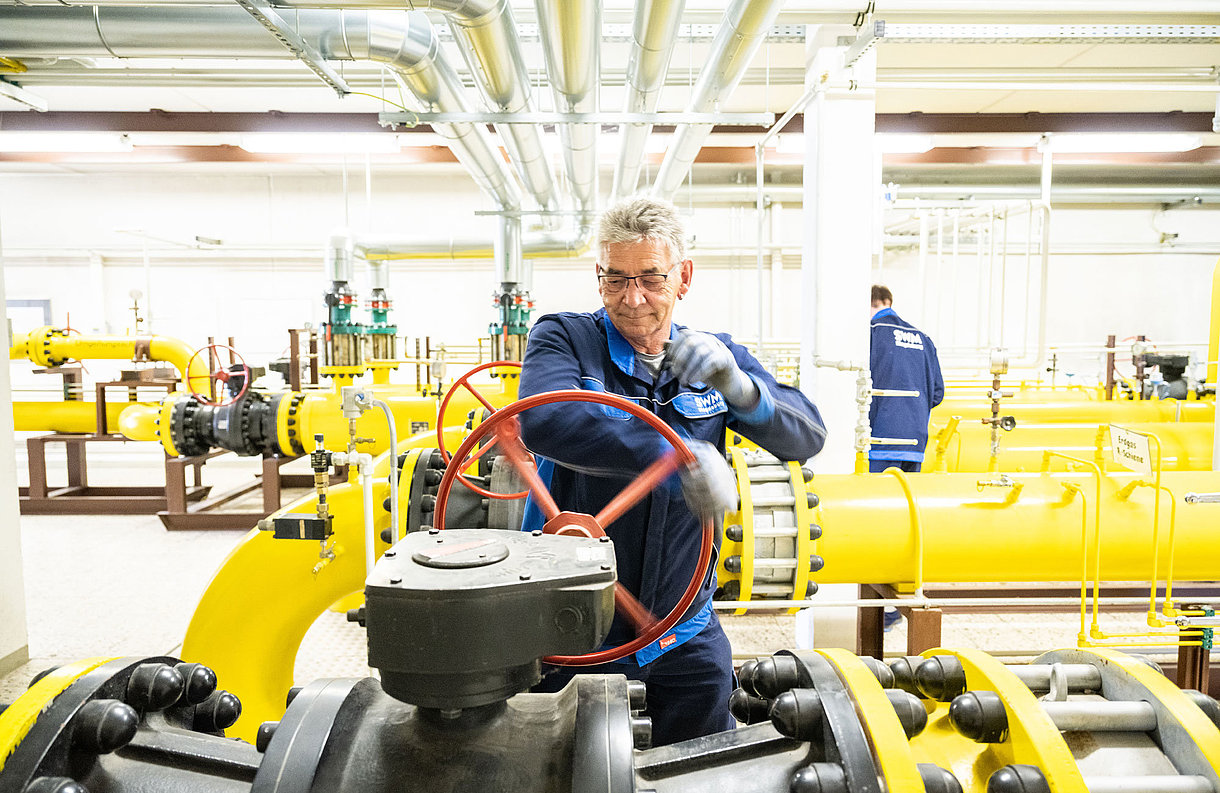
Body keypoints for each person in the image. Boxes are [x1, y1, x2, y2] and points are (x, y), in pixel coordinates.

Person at [516, 197, 827, 746]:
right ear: (599, 278)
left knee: (705, 764)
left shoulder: (714, 355)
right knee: (566, 767)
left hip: (684, 627)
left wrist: (740, 387)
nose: (632, 299)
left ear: (683, 277)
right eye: (616, 279)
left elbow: (807, 436)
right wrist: (675, 453)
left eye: (652, 279)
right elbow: (545, 419)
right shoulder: (564, 338)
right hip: (574, 626)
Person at [868, 285, 944, 473]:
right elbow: (937, 394)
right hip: (915, 443)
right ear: (889, 303)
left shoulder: (871, 333)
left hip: (879, 440)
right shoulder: (923, 339)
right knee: (906, 499)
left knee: (875, 499)